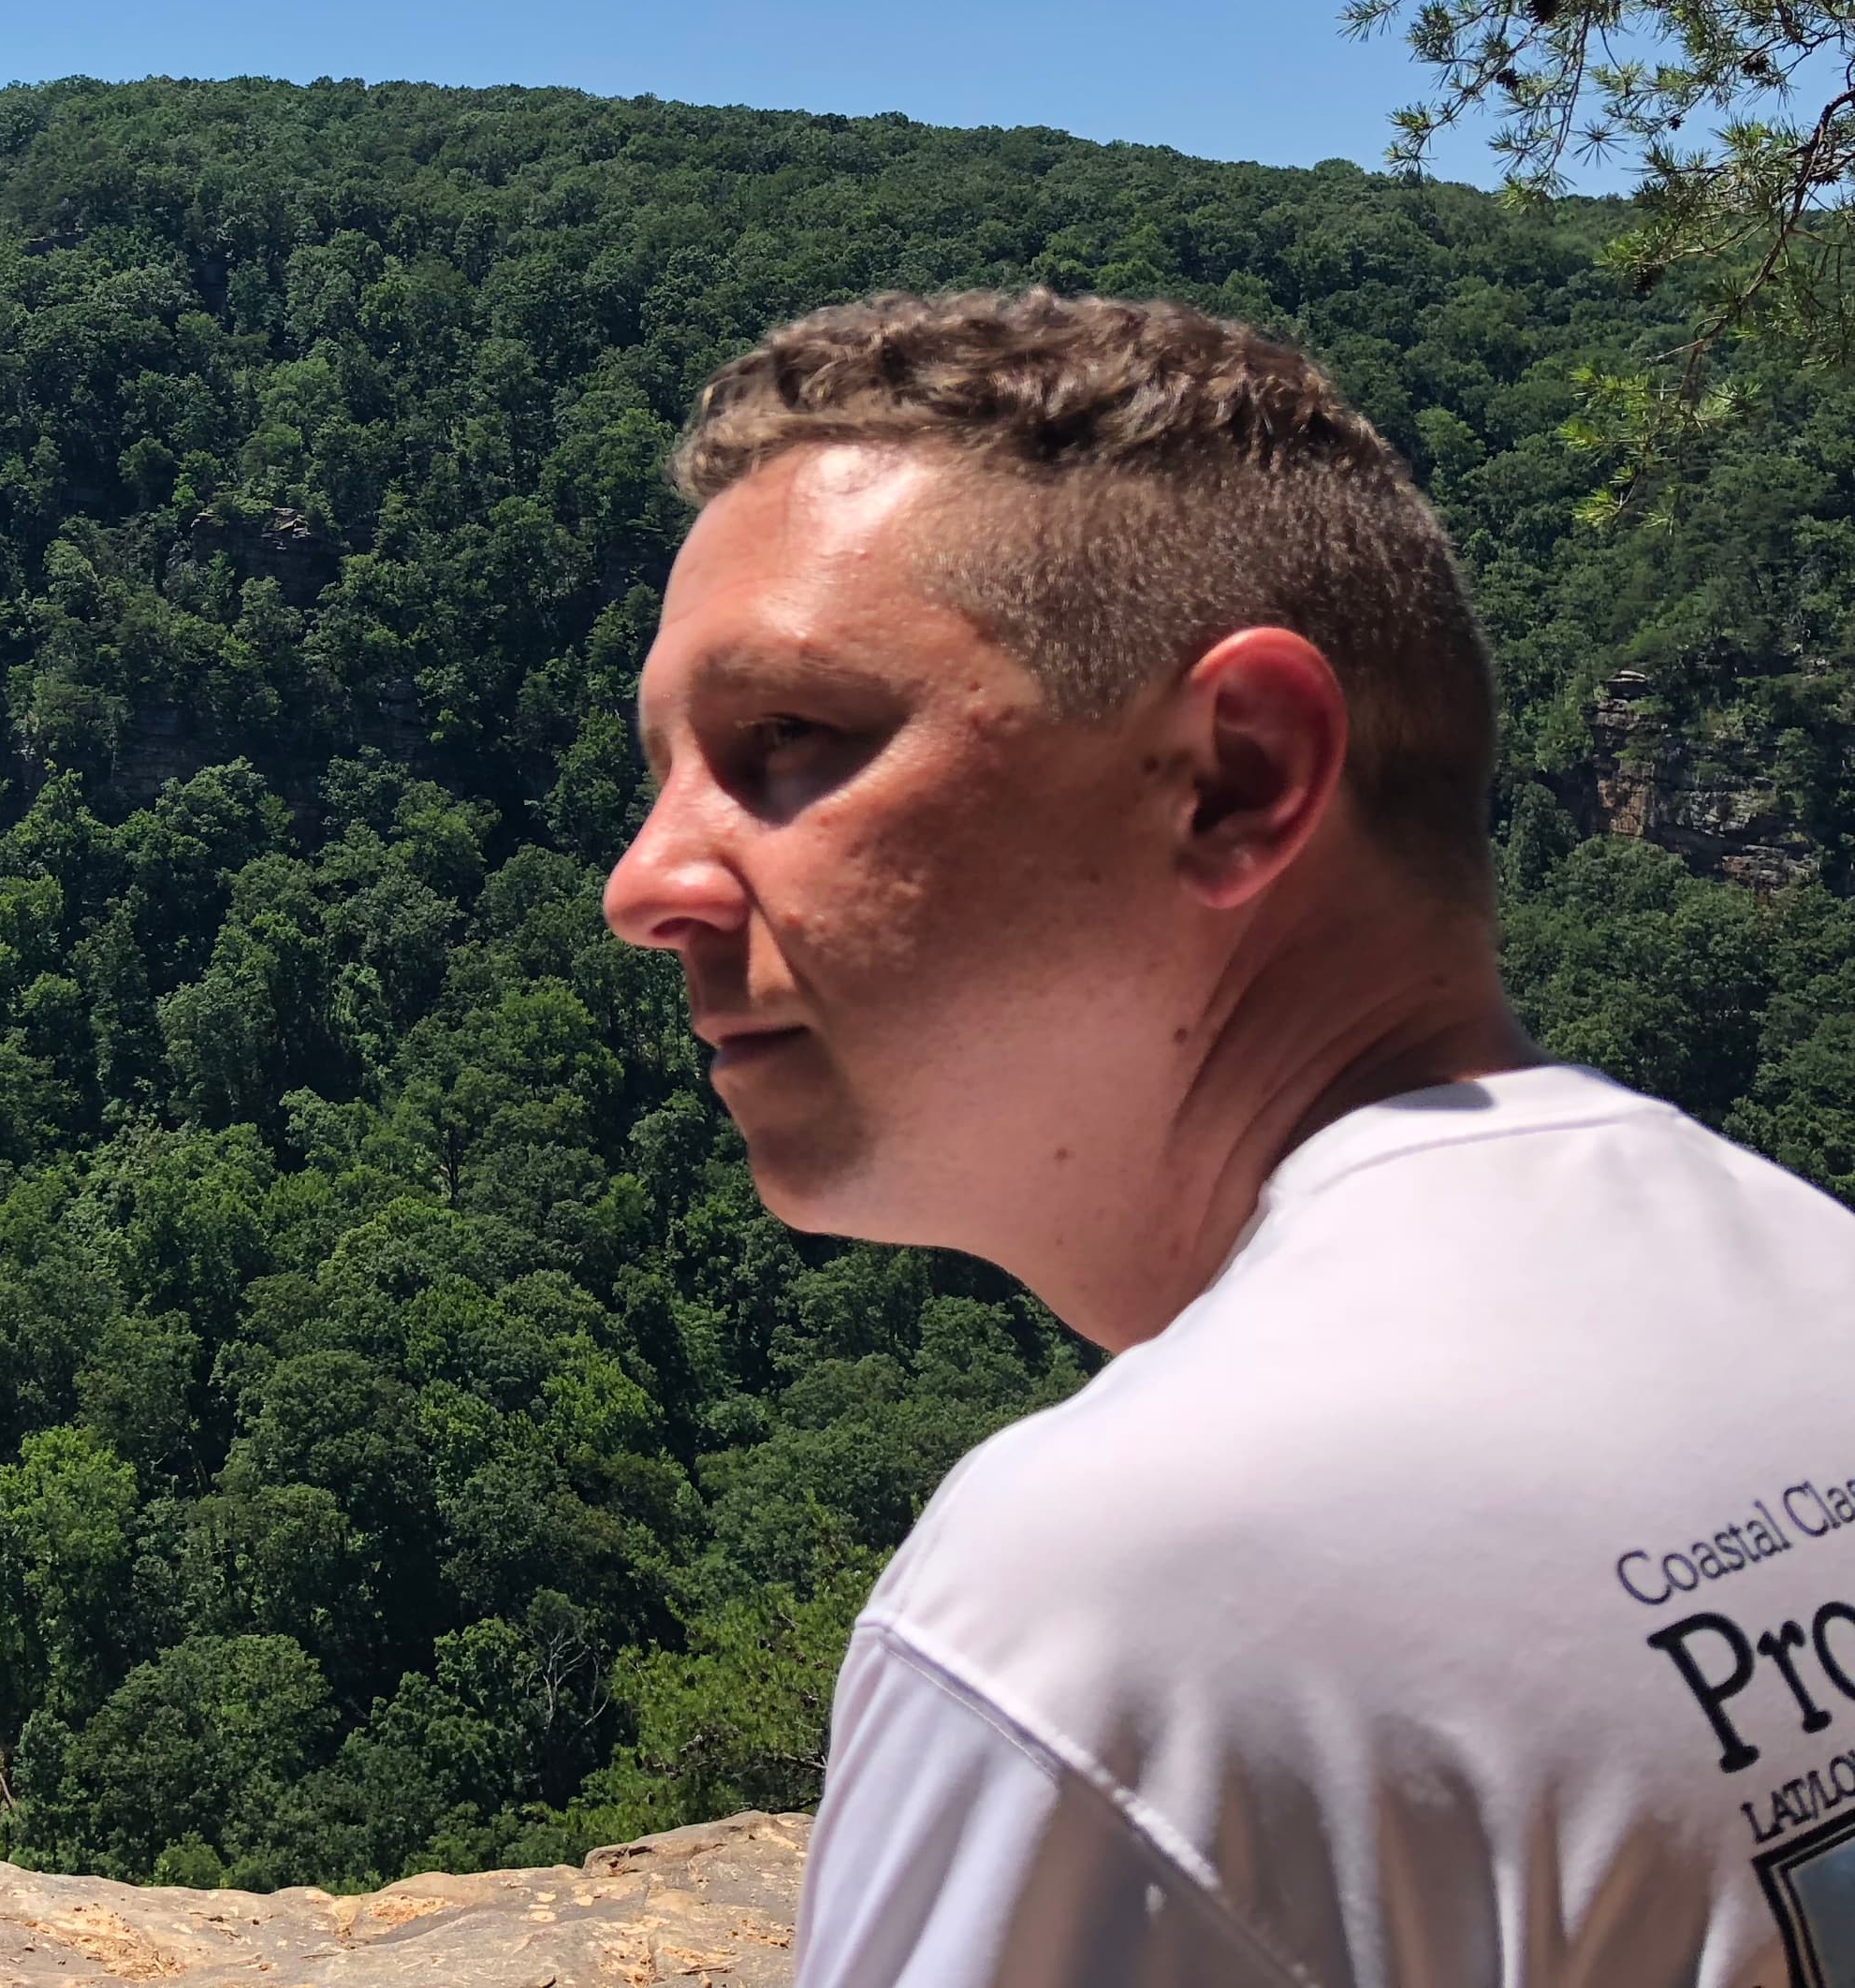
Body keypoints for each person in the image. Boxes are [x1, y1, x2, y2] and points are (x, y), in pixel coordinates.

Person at [600, 290, 1855, 1988]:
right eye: (667, 769)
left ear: (1237, 777)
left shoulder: (1115, 1623)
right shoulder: (1804, 1266)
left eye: (792, 744)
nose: (646, 883)